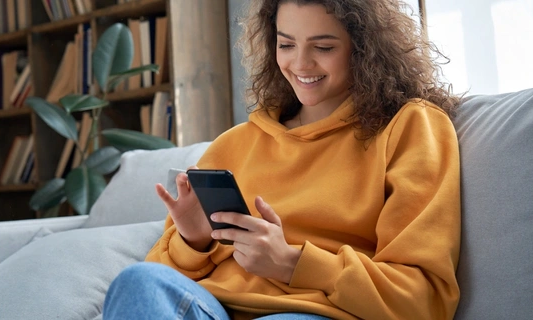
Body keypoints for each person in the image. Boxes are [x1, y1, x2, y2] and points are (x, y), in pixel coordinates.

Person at [103, 0, 462, 319]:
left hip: (315, 311)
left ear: (364, 49)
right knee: (138, 281)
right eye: (286, 44)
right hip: (211, 307)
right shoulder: (237, 142)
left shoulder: (411, 126)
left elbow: (423, 301)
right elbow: (158, 285)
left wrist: (292, 263)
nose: (301, 64)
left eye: (323, 46)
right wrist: (194, 241)